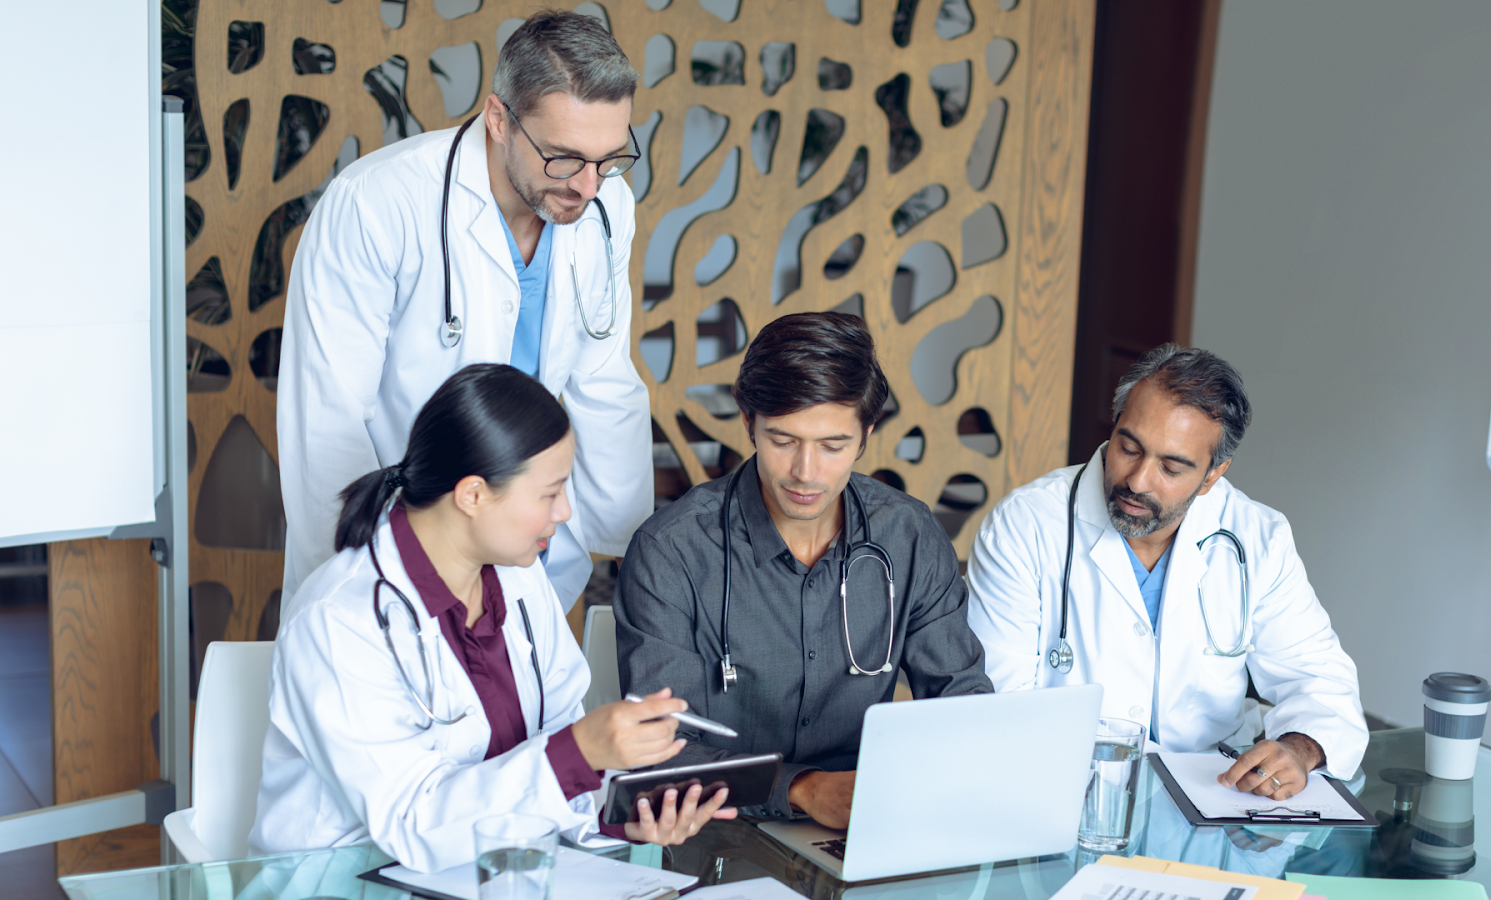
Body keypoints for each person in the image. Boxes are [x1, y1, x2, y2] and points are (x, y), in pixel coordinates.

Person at [251, 365, 734, 872]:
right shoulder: (339, 622)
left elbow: (554, 763)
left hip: (490, 872)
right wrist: (581, 749)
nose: (565, 511)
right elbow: (412, 823)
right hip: (343, 879)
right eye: (550, 493)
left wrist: (621, 814)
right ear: (473, 494)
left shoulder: (520, 578)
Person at [277, 10, 651, 621]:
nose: (588, 185)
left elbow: (602, 376)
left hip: (529, 550)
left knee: (526, 707)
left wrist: (635, 550)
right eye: (563, 158)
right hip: (400, 548)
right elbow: (327, 418)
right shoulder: (377, 203)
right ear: (498, 120)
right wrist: (362, 574)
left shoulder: (608, 204)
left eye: (609, 158)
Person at [613, 312, 993, 829]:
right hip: (719, 829)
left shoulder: (908, 536)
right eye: (783, 440)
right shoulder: (672, 553)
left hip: (869, 821)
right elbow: (660, 753)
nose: (805, 474)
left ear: (865, 436)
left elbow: (962, 706)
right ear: (748, 422)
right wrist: (802, 789)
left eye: (833, 446)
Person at [966, 344, 1367, 801]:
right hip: (1070, 792)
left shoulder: (1257, 537)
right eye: (1128, 447)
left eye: (1171, 467)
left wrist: (1298, 748)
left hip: (1219, 797)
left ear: (1213, 475)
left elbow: (1321, 681)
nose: (1137, 480)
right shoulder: (1027, 525)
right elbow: (998, 706)